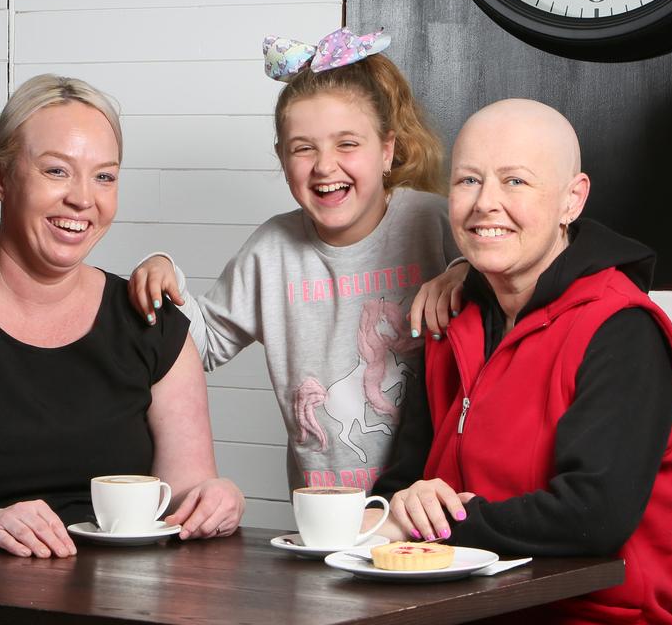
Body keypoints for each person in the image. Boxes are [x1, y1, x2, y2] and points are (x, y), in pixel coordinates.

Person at [0, 74, 244, 561]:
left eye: (104, 176)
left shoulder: (156, 324)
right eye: (57, 171)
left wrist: (215, 499)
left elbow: (188, 492)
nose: (83, 198)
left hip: (126, 602)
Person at [373, 99, 672, 624]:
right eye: (468, 181)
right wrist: (397, 507)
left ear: (572, 199)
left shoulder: (623, 330)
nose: (484, 204)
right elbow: (400, 484)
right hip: (450, 610)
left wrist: (439, 522)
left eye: (515, 181)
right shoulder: (448, 320)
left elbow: (594, 516)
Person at [128, 27, 465, 493]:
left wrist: (463, 272)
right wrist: (162, 270)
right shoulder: (272, 252)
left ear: (387, 150)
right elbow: (199, 347)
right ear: (282, 159)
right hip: (324, 514)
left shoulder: (433, 223)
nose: (325, 166)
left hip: (432, 503)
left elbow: (506, 297)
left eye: (347, 144)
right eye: (304, 148)